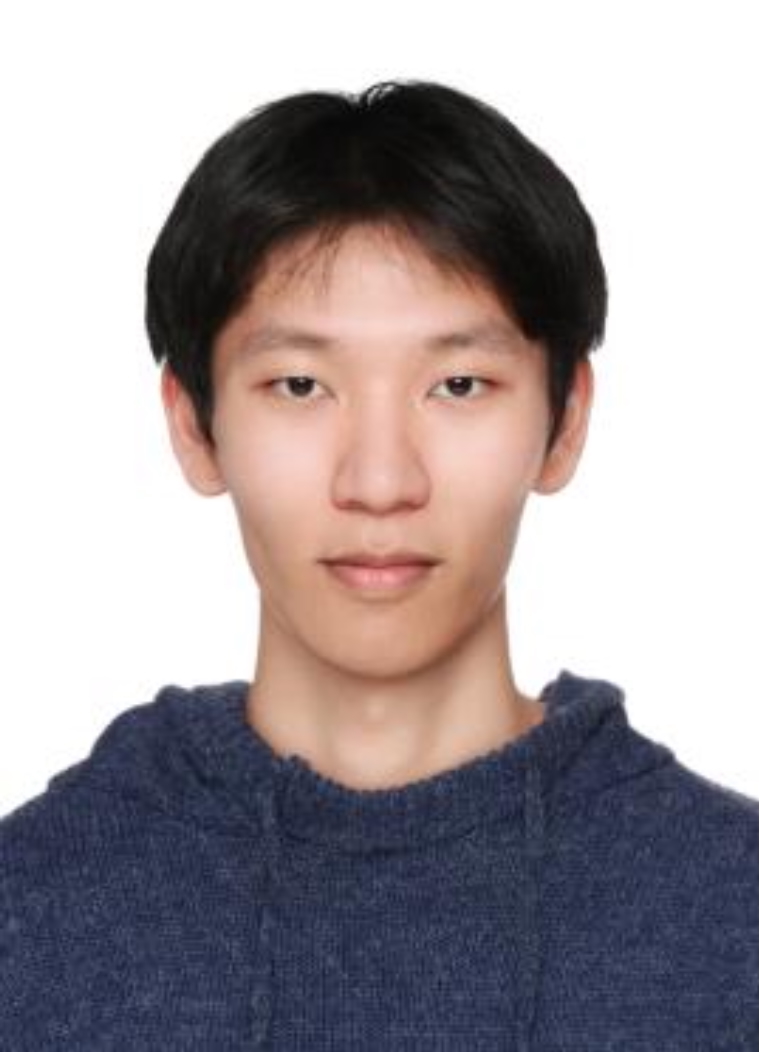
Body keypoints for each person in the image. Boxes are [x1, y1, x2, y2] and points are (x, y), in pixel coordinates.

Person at [1, 79, 756, 1051]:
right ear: (193, 424)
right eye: (300, 385)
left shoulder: (731, 911)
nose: (380, 480)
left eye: (458, 384)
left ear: (565, 420)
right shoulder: (33, 912)